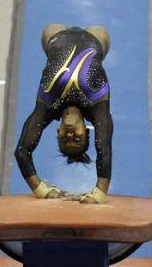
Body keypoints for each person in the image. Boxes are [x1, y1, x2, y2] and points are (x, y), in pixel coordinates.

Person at [14, 24, 113, 204]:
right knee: (101, 34)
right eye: (77, 139)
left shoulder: (48, 107)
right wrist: (100, 193)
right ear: (87, 131)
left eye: (64, 139)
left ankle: (58, 37)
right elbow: (104, 148)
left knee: (49, 30)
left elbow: (22, 151)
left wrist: (40, 190)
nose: (69, 135)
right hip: (95, 39)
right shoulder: (96, 104)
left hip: (56, 36)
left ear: (57, 132)